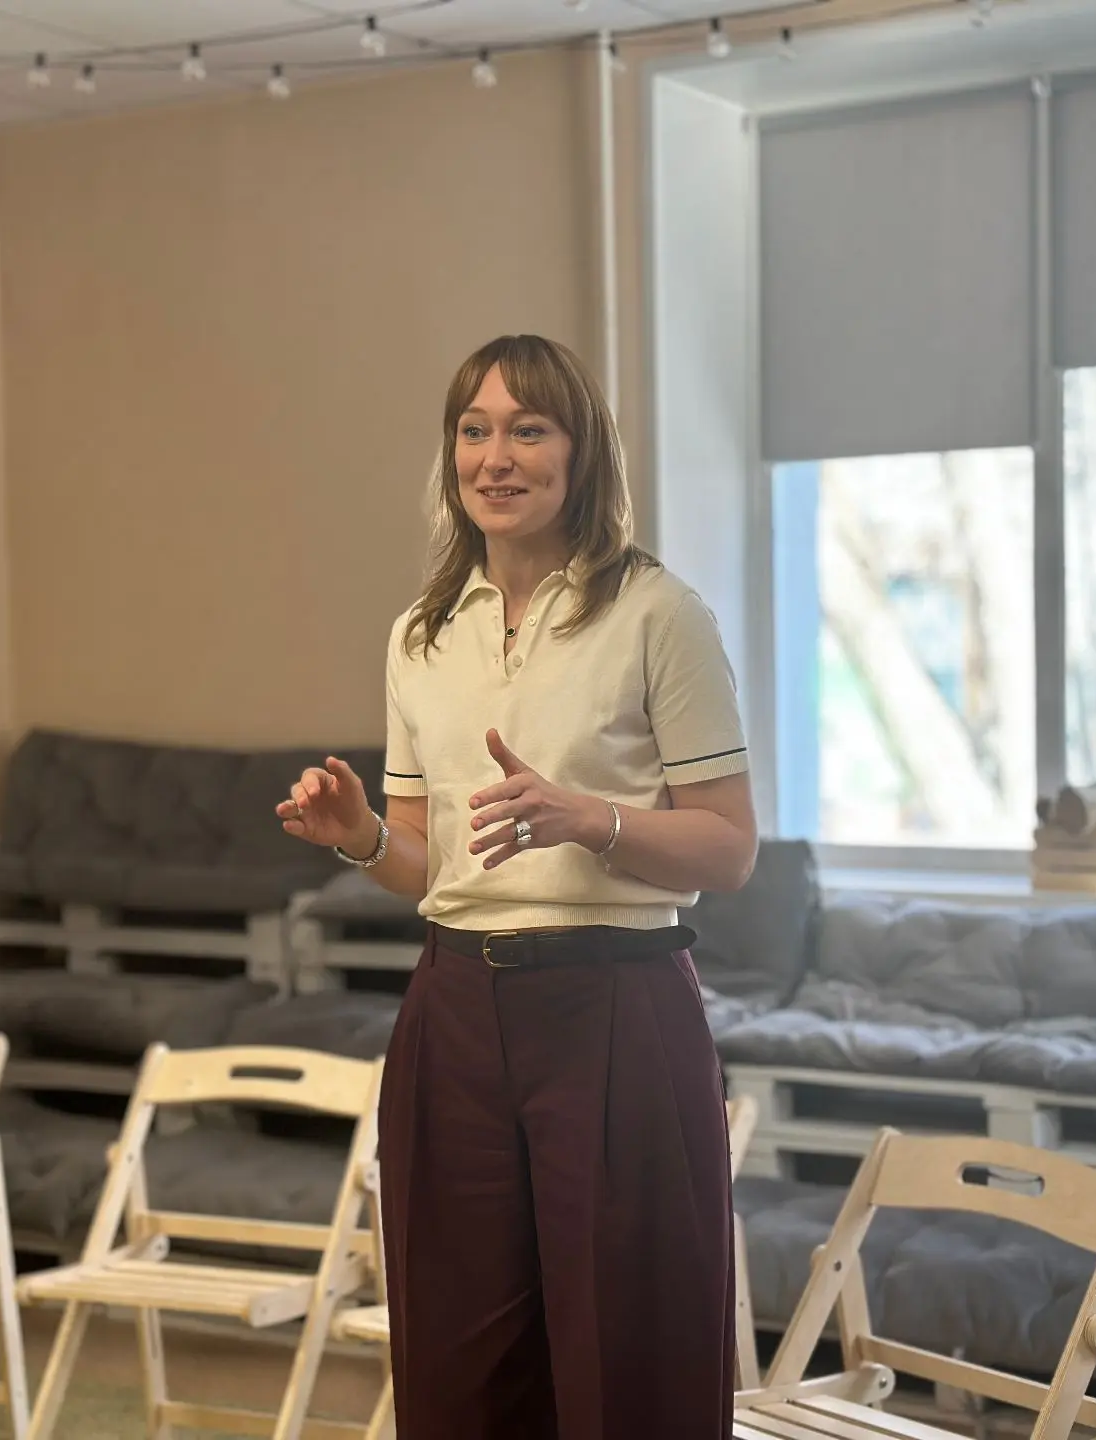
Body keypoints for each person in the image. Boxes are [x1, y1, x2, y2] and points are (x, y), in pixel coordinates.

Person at [277, 335, 757, 1438]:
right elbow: (427, 861)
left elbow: (730, 849)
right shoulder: (420, 634)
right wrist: (361, 838)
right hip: (455, 1011)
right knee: (458, 1361)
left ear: (581, 453)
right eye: (474, 430)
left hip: (616, 1007)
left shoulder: (659, 614)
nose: (496, 457)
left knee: (626, 1355)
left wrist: (594, 820)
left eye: (528, 430)